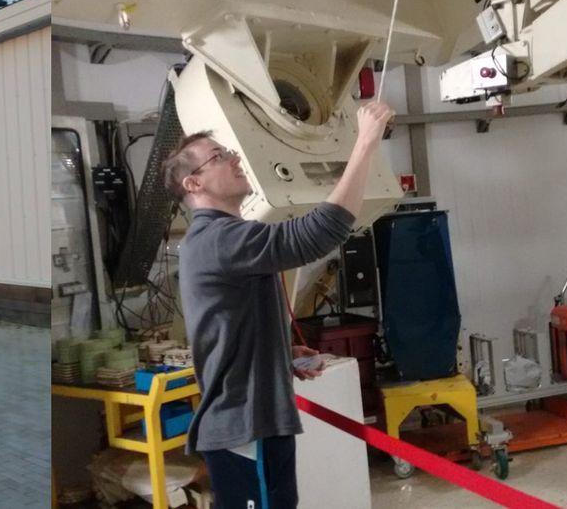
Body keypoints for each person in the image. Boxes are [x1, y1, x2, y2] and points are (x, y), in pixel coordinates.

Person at [162, 101, 395, 508]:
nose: (234, 159)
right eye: (219, 157)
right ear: (193, 184)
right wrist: (364, 145)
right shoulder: (218, 239)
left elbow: (230, 330)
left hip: (254, 424)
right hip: (245, 430)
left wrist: (281, 355)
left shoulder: (227, 238)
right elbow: (318, 233)